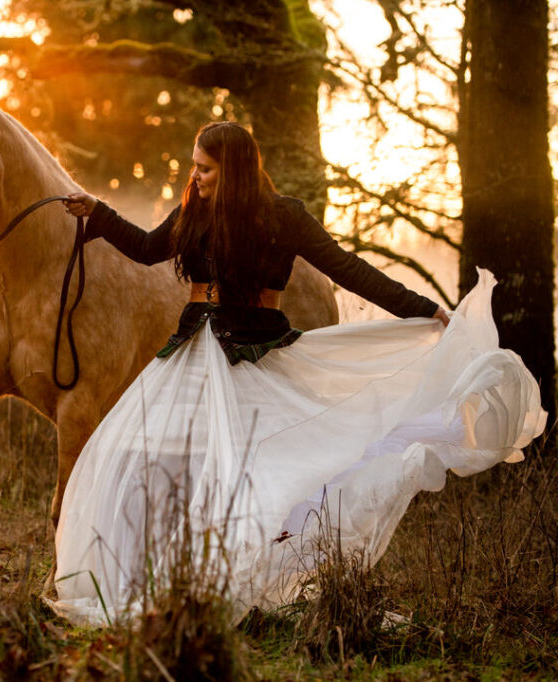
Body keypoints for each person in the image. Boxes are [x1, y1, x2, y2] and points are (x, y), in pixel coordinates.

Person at [51, 121, 546, 627]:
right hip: (191, 356)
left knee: (253, 470)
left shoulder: (284, 218)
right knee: (152, 457)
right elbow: (146, 248)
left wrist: (419, 308)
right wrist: (100, 213)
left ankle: (236, 577)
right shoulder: (194, 212)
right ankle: (161, 578)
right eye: (195, 165)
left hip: (256, 357)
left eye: (205, 168)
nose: (194, 175)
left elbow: (348, 268)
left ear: (235, 170)